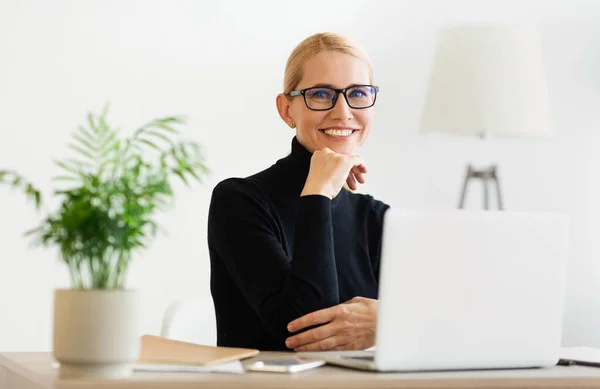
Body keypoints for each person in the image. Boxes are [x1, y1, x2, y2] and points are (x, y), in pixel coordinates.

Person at [207, 32, 389, 352]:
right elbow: (305, 327)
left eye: (358, 93)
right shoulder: (238, 201)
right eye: (321, 94)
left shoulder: (376, 217)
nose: (343, 111)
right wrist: (318, 192)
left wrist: (387, 321)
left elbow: (435, 321)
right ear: (287, 110)